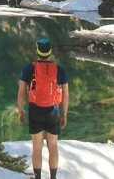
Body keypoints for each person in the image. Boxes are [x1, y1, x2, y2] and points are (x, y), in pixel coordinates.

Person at [16, 38, 69, 179]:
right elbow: (65, 94)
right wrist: (64, 114)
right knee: (53, 145)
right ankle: (53, 177)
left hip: (35, 110)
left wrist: (20, 110)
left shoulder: (29, 68)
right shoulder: (59, 70)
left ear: (37, 51)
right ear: (50, 52)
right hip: (53, 110)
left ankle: (38, 177)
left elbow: (21, 91)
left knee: (37, 147)